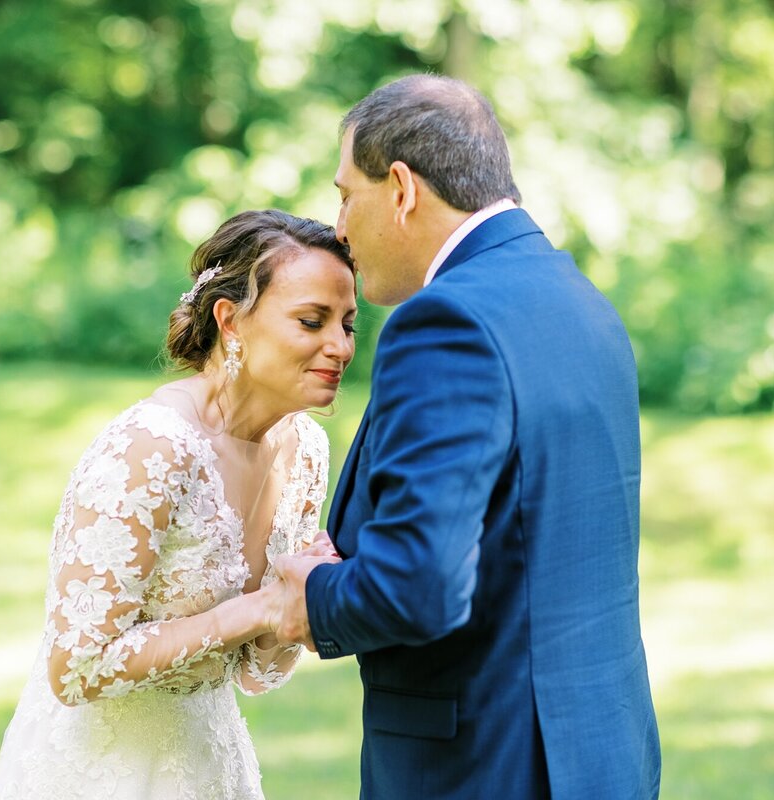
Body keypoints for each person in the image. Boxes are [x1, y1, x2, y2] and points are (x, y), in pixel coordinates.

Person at [267, 75, 661, 798]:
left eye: (346, 195)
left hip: (483, 765)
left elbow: (417, 588)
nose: (341, 228)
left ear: (402, 189)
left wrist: (313, 596)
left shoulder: (446, 324)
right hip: (600, 757)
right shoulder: (580, 301)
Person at [0, 209, 355, 800]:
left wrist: (303, 595)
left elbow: (257, 672)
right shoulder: (149, 448)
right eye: (312, 321)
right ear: (230, 320)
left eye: (348, 324)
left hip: (209, 762)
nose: (339, 347)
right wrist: (260, 609)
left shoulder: (305, 448)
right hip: (99, 770)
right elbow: (77, 667)